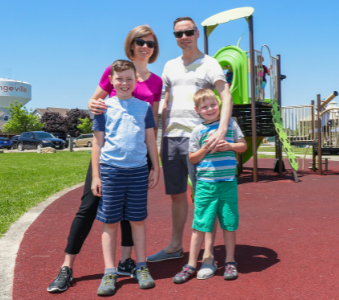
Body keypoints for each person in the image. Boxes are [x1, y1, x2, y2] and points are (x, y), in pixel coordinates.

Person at [47, 25, 162, 293]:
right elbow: (94, 101)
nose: (145, 46)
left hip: (136, 158)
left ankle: (126, 262)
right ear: (131, 45)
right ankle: (67, 267)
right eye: (140, 41)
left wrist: (154, 164)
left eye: (151, 42)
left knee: (131, 215)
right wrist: (91, 103)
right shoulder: (114, 70)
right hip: (108, 157)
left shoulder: (156, 82)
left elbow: (151, 126)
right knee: (89, 208)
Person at [147, 16, 232, 280]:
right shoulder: (170, 66)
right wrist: (158, 133)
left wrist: (221, 129)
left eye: (188, 32)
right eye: (178, 34)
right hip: (171, 137)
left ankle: (208, 255)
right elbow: (163, 99)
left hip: (200, 139)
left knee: (204, 195)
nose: (184, 37)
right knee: (176, 194)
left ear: (197, 34)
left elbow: (225, 94)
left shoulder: (210, 63)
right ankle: (175, 246)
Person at [92, 60, 159, 295]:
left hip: (139, 171)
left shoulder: (144, 108)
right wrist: (95, 177)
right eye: (119, 78)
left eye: (129, 78)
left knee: (138, 221)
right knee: (109, 223)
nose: (124, 83)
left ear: (136, 80)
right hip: (111, 172)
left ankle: (141, 266)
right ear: (111, 80)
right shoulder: (103, 107)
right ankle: (109, 271)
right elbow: (97, 142)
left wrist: (156, 168)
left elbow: (150, 140)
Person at [172, 89, 246, 284]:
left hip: (228, 183)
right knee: (200, 225)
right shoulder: (198, 131)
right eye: (204, 107)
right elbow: (192, 158)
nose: (210, 109)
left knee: (229, 224)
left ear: (219, 105)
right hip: (205, 185)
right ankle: (190, 264)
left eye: (213, 104)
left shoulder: (230, 124)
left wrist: (229, 146)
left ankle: (230, 261)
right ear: (198, 110)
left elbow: (243, 146)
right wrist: (206, 147)